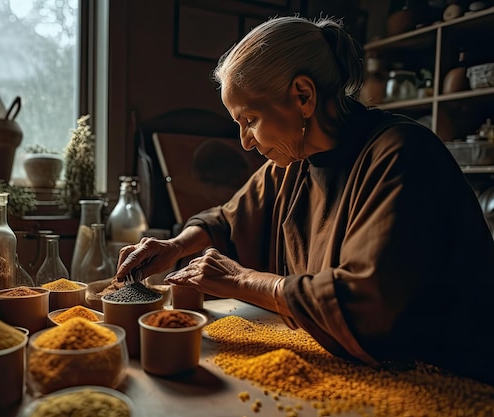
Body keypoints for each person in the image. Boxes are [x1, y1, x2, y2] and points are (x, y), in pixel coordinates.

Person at [115, 16, 494, 384]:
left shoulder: (402, 156)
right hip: (373, 369)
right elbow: (230, 218)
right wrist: (175, 245)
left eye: (250, 119)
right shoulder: (293, 162)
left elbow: (364, 302)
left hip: (446, 375)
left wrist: (240, 279)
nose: (245, 141)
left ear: (303, 96)